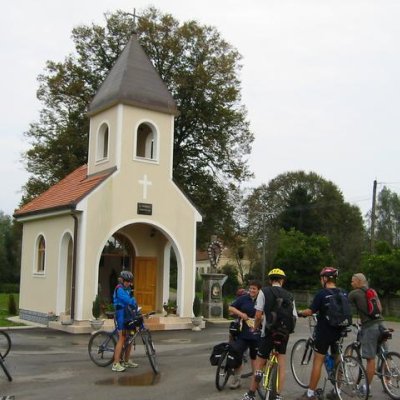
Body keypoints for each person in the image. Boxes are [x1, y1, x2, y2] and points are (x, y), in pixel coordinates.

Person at [241, 268, 296, 400]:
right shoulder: (290, 295)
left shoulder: (264, 292)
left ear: (270, 280)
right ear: (282, 280)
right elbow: (294, 317)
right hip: (284, 333)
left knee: (260, 362)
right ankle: (278, 395)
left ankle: (251, 394)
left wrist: (255, 328)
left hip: (268, 332)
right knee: (281, 363)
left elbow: (258, 315)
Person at [296, 267, 348, 400]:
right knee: (337, 359)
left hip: (324, 332)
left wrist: (300, 313)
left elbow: (310, 311)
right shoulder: (343, 292)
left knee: (318, 361)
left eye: (321, 278)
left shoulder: (322, 294)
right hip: (339, 331)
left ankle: (310, 393)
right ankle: (337, 391)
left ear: (325, 278)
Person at [349, 272, 385, 390]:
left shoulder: (354, 293)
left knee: (370, 358)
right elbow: (380, 308)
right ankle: (388, 383)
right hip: (382, 324)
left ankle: (366, 388)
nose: (351, 283)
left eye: (353, 281)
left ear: (359, 281)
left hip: (370, 327)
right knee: (384, 355)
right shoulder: (372, 291)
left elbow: (344, 305)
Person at [228, 280, 262, 389]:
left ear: (259, 290)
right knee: (237, 353)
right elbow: (231, 307)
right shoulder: (243, 298)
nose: (251, 290)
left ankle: (255, 383)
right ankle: (237, 380)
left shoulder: (262, 300)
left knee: (254, 358)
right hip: (243, 333)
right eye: (250, 288)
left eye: (254, 289)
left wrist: (260, 318)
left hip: (256, 334)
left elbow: (267, 313)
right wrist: (241, 314)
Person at [112, 270, 139, 372]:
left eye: (130, 281)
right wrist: (133, 301)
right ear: (122, 280)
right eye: (127, 281)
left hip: (127, 314)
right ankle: (115, 364)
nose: (128, 283)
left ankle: (126, 361)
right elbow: (128, 300)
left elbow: (132, 301)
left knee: (130, 337)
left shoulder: (127, 289)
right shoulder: (119, 289)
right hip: (121, 315)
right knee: (122, 338)